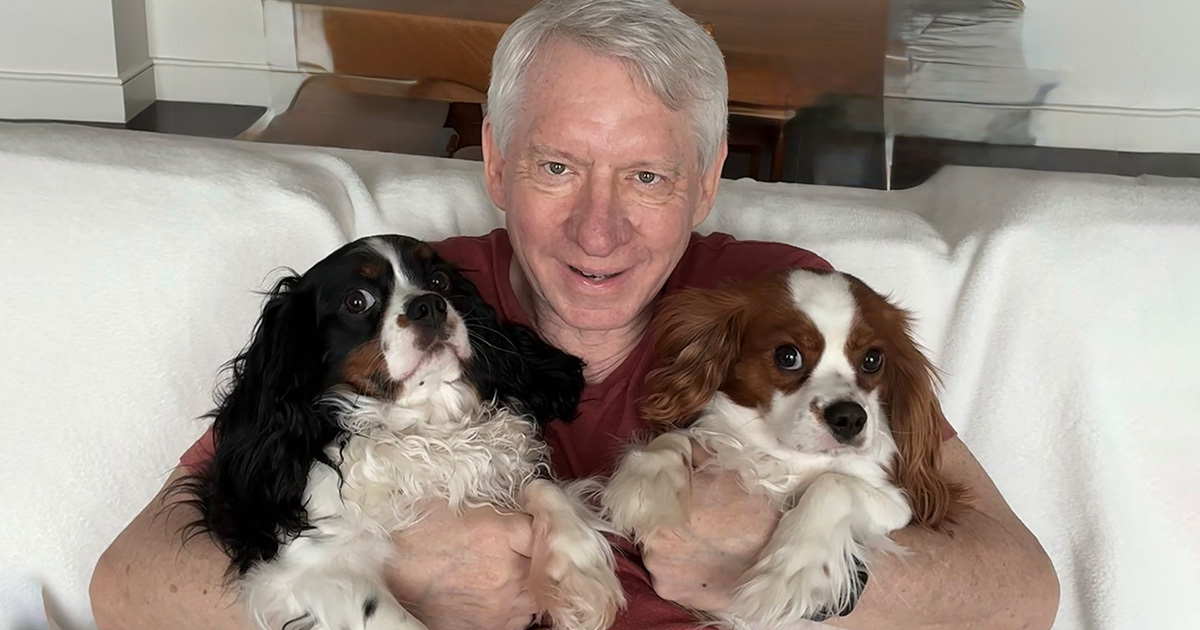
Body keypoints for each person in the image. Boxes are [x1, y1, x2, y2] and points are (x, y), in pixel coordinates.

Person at [89, 0, 1060, 628]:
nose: (600, 228)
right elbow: (129, 586)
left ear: (709, 180)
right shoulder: (387, 309)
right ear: (498, 163)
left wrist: (782, 573)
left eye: (646, 174)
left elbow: (1019, 588)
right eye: (558, 167)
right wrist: (388, 580)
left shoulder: (792, 307)